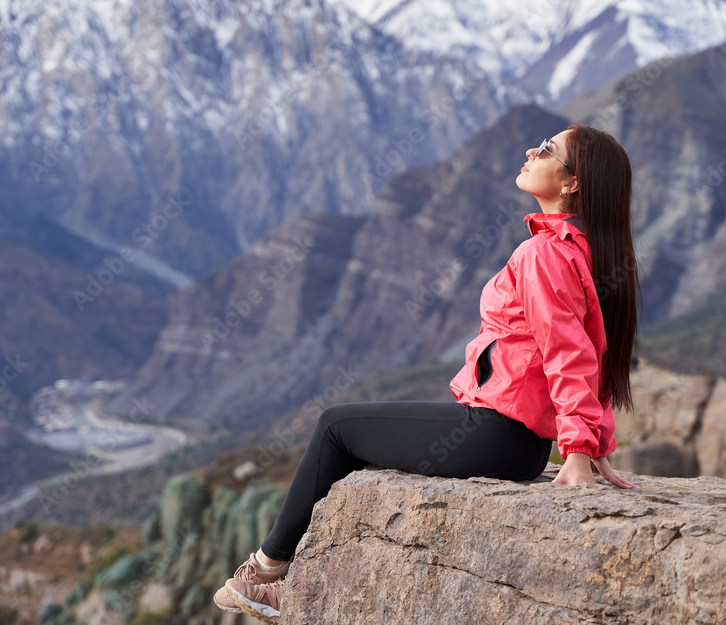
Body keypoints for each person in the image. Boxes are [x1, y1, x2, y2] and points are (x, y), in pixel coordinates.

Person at [215, 124, 641, 624]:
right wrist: (592, 442)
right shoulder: (581, 250)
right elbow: (594, 350)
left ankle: (266, 573)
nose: (530, 150)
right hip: (516, 442)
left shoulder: (544, 254)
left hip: (496, 434)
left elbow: (568, 353)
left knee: (335, 426)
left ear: (571, 183)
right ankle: (295, 577)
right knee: (362, 437)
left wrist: (579, 451)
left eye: (547, 150)